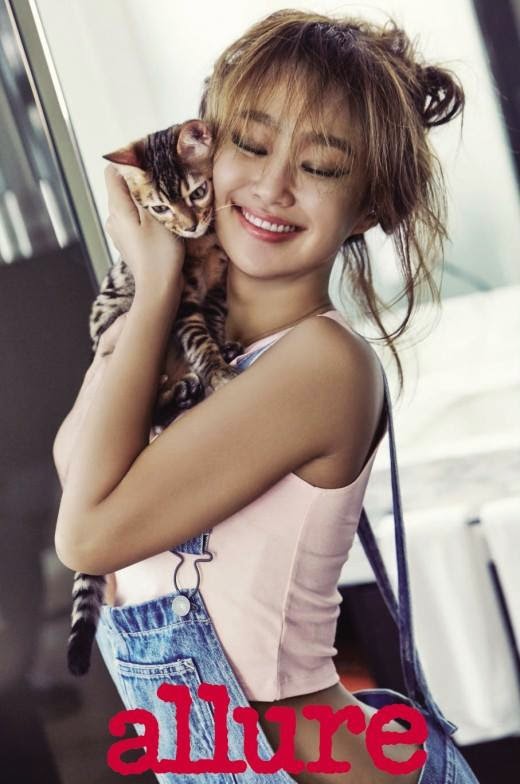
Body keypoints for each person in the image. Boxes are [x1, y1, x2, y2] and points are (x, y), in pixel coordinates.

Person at [53, 9, 465, 783]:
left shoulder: (322, 367)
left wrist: (156, 284)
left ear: (368, 206)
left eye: (323, 166)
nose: (274, 187)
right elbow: (79, 466)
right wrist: (159, 284)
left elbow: (87, 536)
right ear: (206, 145)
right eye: (251, 142)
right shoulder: (182, 340)